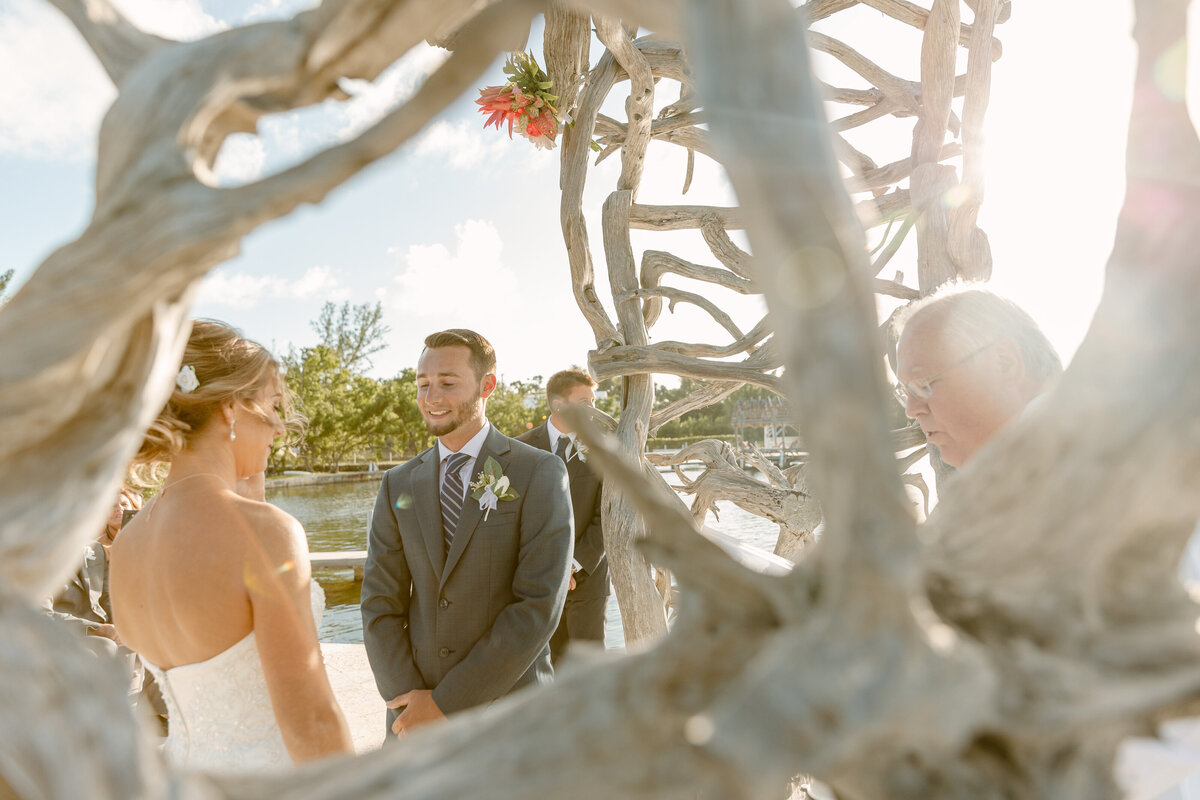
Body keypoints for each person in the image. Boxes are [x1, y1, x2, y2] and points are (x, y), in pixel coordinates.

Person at [109, 320, 352, 774]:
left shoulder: (126, 543)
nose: (280, 427)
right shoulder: (263, 534)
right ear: (229, 407)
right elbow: (311, 723)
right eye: (273, 405)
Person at [361, 329, 573, 741]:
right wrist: (410, 702)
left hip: (509, 715)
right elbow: (378, 604)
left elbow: (538, 605)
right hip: (412, 718)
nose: (431, 396)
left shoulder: (539, 472)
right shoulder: (397, 483)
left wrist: (447, 704)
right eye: (423, 384)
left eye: (447, 383)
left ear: (487, 384)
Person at [893, 283, 1062, 469]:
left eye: (922, 385)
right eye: (906, 391)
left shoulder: (1073, 461)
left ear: (1004, 362)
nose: (911, 410)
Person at [516, 369, 609, 663]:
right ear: (558, 405)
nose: (593, 409)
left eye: (593, 401)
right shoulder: (519, 450)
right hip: (537, 582)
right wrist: (548, 568)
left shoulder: (605, 447)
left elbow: (606, 516)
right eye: (584, 402)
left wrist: (571, 565)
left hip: (588, 579)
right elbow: (513, 518)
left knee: (589, 669)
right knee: (546, 667)